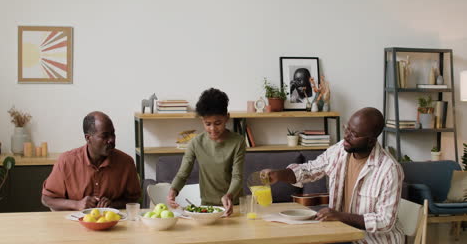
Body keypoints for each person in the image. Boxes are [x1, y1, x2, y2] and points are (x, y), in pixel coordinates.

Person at [262, 107, 404, 244]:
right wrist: (279, 174)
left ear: (371, 141)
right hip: (341, 234)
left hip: (372, 241)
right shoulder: (341, 149)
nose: (346, 136)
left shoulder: (389, 170)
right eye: (347, 128)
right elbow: (311, 169)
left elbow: (385, 221)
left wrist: (340, 216)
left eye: (354, 134)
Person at [167, 88, 245, 216]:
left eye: (218, 123)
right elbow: (182, 174)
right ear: (202, 120)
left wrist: (229, 196)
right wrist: (173, 191)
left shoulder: (238, 142)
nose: (213, 128)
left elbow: (237, 177)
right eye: (207, 124)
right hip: (207, 207)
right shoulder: (195, 143)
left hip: (233, 205)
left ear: (227, 118)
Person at [41, 111, 141, 211]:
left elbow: (134, 199)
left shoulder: (126, 163)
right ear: (88, 138)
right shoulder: (66, 161)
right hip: (73, 224)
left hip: (114, 223)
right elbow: (46, 199)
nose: (111, 140)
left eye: (113, 134)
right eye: (104, 136)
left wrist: (113, 204)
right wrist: (76, 205)